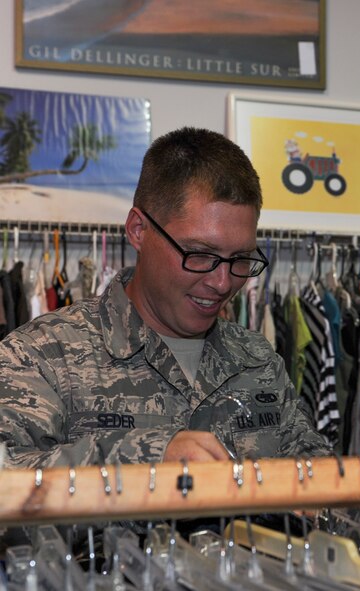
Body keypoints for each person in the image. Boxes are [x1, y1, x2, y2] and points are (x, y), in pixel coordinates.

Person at [0, 127, 329, 468]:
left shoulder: (257, 359)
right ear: (139, 231)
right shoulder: (41, 357)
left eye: (241, 260)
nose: (222, 282)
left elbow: (319, 477)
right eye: (200, 254)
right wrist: (143, 456)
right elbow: (8, 476)